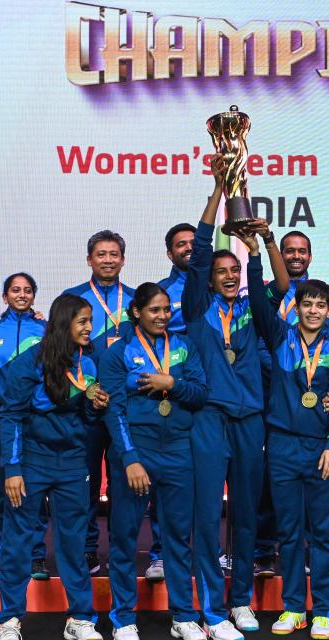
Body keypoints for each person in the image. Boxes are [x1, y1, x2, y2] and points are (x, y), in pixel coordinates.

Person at [182, 160, 289, 640]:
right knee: (208, 516)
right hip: (208, 419)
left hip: (250, 421)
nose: (227, 276)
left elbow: (281, 288)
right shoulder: (197, 308)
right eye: (220, 272)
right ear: (208, 279)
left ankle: (240, 599)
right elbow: (200, 251)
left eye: (234, 271)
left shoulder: (252, 308)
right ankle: (211, 607)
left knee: (245, 517)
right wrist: (217, 191)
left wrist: (263, 245)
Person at [0, 293, 108, 640]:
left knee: (74, 543)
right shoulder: (28, 362)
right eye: (83, 321)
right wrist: (13, 469)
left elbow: (86, 418)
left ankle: (80, 618)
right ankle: (8, 621)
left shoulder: (88, 363)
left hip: (72, 464)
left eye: (90, 321)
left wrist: (94, 406)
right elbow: (11, 416)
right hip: (31, 463)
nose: (89, 328)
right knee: (18, 542)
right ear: (63, 323)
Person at [246, 245, 329, 640]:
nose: (314, 311)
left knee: (323, 532)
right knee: (288, 532)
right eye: (307, 304)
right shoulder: (279, 335)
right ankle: (293, 607)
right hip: (283, 446)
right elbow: (258, 301)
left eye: (321, 305)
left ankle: (323, 609)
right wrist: (256, 256)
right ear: (297, 307)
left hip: (321, 449)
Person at [100, 282, 209, 640]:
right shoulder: (118, 352)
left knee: (177, 537)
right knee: (124, 536)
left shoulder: (183, 346)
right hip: (136, 451)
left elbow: (200, 393)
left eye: (166, 310)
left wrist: (172, 383)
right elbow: (114, 409)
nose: (163, 316)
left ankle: (183, 615)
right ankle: (123, 617)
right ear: (137, 312)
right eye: (154, 310)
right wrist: (130, 458)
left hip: (178, 451)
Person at [63, 230, 135, 574]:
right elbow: (60, 352)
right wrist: (86, 388)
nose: (108, 260)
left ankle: (122, 551)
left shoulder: (135, 301)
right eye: (101, 254)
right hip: (85, 407)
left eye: (114, 254)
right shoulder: (72, 299)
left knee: (124, 484)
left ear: (123, 259)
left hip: (125, 406)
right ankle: (88, 549)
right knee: (85, 481)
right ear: (89, 259)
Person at [0, 273, 49, 580]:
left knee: (34, 489)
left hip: (35, 419)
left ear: (34, 295)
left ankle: (35, 557)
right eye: (15, 290)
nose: (22, 295)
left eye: (27, 290)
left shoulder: (46, 330)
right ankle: (7, 557)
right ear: (4, 296)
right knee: (4, 490)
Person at [141, 223, 195, 583]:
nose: (188, 248)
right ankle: (161, 553)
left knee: (206, 483)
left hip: (205, 392)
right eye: (180, 244)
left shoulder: (220, 287)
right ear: (169, 253)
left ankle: (208, 550)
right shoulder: (163, 293)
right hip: (170, 395)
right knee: (163, 482)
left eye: (193, 243)